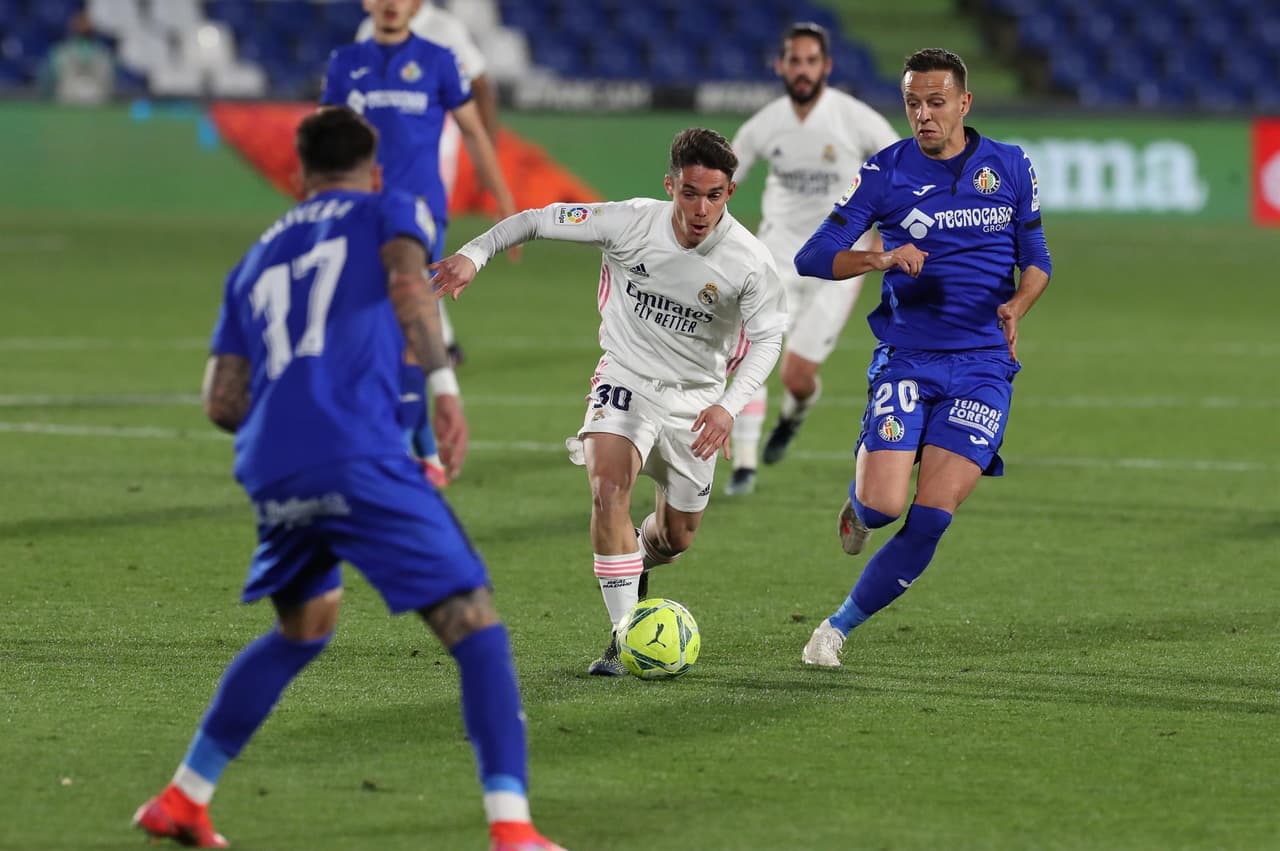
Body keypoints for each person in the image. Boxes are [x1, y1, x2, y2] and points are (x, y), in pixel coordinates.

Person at [131, 107, 564, 851]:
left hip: (272, 464)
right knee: (474, 624)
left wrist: (296, 428)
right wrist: (443, 387)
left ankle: (183, 796)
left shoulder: (255, 257)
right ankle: (512, 828)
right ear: (375, 168)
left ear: (298, 175)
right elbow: (406, 280)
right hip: (356, 452)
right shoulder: (390, 208)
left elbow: (221, 401)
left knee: (304, 626)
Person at [430, 128, 789, 676]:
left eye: (714, 195)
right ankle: (626, 637)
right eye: (689, 192)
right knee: (609, 487)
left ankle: (633, 562)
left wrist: (729, 406)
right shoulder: (629, 222)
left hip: (697, 403)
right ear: (670, 185)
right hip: (626, 377)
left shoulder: (749, 261)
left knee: (675, 538)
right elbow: (537, 219)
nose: (701, 207)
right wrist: (474, 255)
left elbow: (767, 340)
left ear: (730, 193)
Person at [793, 49, 1051, 667]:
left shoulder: (1010, 166)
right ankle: (858, 509)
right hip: (908, 358)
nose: (924, 115)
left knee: (932, 515)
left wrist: (1018, 304)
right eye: (913, 103)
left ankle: (834, 629)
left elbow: (1037, 256)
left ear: (964, 103)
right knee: (883, 507)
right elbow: (813, 255)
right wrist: (881, 257)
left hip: (984, 365)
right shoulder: (883, 173)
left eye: (936, 103)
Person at [322, 0, 517, 487]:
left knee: (406, 308)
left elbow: (474, 132)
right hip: (361, 209)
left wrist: (504, 199)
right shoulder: (346, 64)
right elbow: (326, 145)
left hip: (420, 211)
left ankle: (416, 451)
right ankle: (420, 449)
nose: (390, 3)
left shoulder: (437, 58)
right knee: (378, 325)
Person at [725, 22, 899, 496]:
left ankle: (794, 415)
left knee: (797, 375)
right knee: (753, 353)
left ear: (826, 66)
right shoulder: (766, 123)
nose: (802, 70)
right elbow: (723, 176)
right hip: (777, 257)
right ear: (781, 66)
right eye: (794, 61)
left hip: (840, 263)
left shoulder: (854, 119)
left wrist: (887, 235)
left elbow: (901, 170)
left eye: (811, 61)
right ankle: (744, 466)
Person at [38, 11, 114, 105]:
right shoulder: (60, 52)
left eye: (85, 23)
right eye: (80, 23)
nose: (82, 26)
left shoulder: (103, 54)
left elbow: (109, 84)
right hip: (67, 103)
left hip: (95, 104)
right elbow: (47, 82)